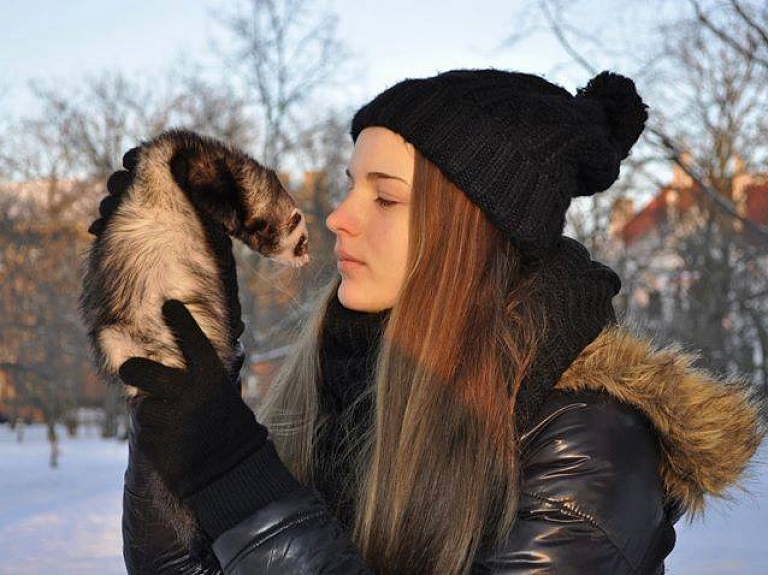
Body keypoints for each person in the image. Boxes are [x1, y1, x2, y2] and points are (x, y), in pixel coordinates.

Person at [89, 69, 766, 575]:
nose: (340, 216)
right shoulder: (342, 384)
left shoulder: (586, 446)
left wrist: (239, 479)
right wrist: (183, 378)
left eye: (384, 194)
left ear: (473, 232)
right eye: (354, 183)